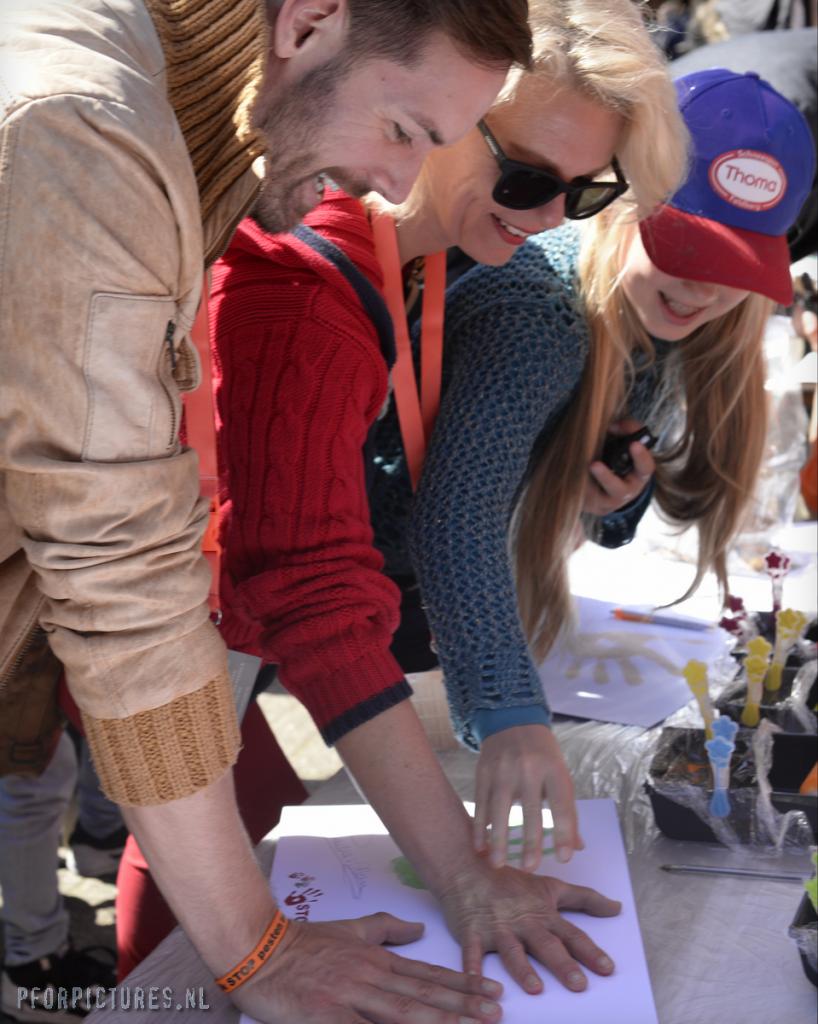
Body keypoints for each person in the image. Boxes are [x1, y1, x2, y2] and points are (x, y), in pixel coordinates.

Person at [0, 1, 533, 1020]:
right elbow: (119, 575)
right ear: (311, 21)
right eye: (405, 131)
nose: (399, 183)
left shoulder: (185, 113)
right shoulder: (86, 129)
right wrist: (255, 948)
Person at [200, 0, 685, 1003]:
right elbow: (316, 592)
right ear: (451, 108)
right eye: (526, 178)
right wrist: (462, 873)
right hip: (185, 636)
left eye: (586, 194)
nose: (550, 218)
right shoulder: (311, 281)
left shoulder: (421, 255)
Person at [371, 63, 815, 874]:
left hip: (405, 609)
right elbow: (457, 514)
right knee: (208, 792)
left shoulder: (647, 314)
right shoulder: (541, 309)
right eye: (684, 245)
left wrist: (609, 497)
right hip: (338, 591)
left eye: (734, 266)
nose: (703, 288)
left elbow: (549, 468)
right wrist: (509, 713)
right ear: (614, 202)